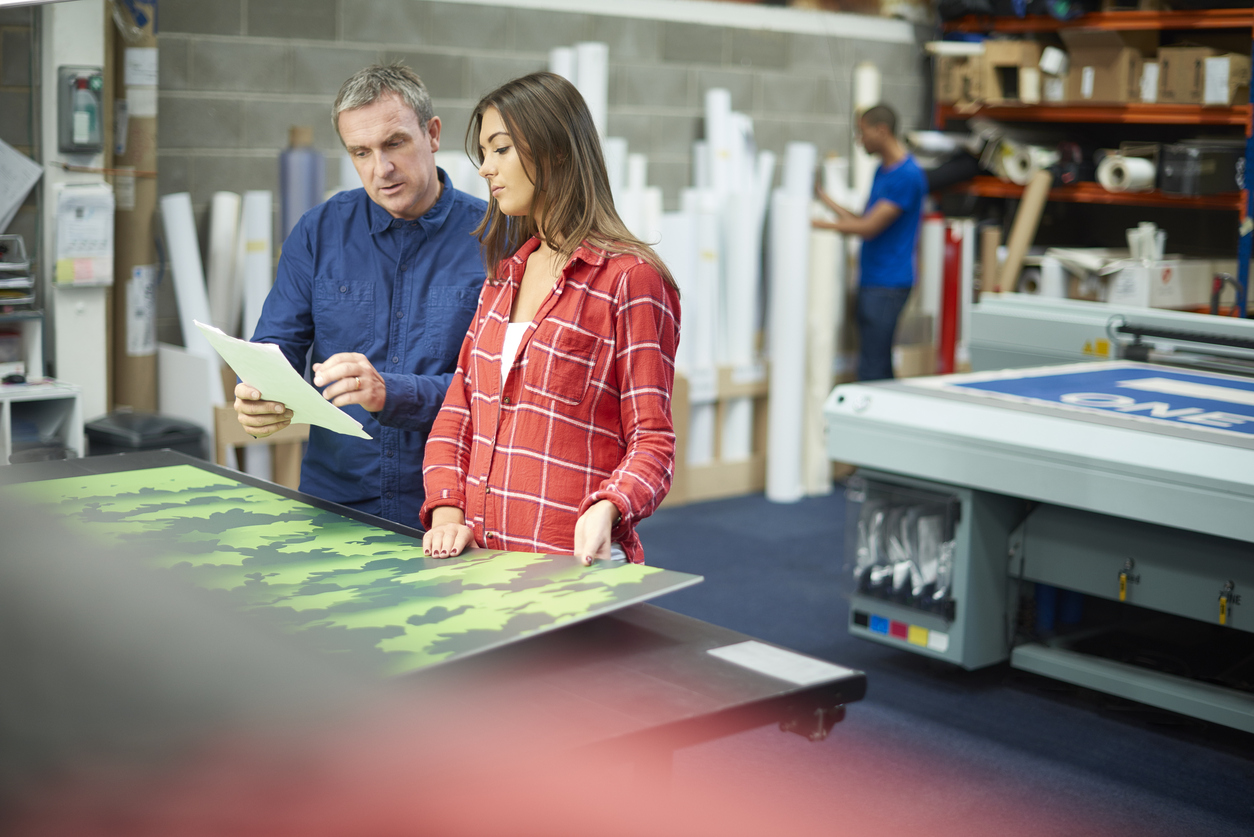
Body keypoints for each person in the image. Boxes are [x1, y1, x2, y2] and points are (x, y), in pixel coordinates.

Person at [420, 72, 681, 567]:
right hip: (481, 563)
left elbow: (653, 440)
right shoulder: (503, 277)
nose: (486, 169)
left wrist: (609, 507)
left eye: (501, 150)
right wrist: (447, 510)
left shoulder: (631, 280)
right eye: (484, 153)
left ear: (555, 151)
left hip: (570, 566)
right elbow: (459, 410)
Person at [233, 63, 487, 528]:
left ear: (432, 134)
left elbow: (501, 392)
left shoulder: (496, 238)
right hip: (335, 503)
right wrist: (260, 392)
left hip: (452, 509)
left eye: (394, 143)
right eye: (361, 152)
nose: (381, 169)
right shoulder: (319, 232)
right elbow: (276, 346)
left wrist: (392, 392)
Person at [814, 104, 927, 381]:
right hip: (873, 280)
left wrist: (818, 225)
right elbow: (864, 218)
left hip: (888, 284)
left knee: (872, 367)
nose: (859, 139)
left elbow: (868, 228)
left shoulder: (908, 176)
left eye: (862, 132)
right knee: (874, 361)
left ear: (882, 130)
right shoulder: (883, 171)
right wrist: (824, 199)